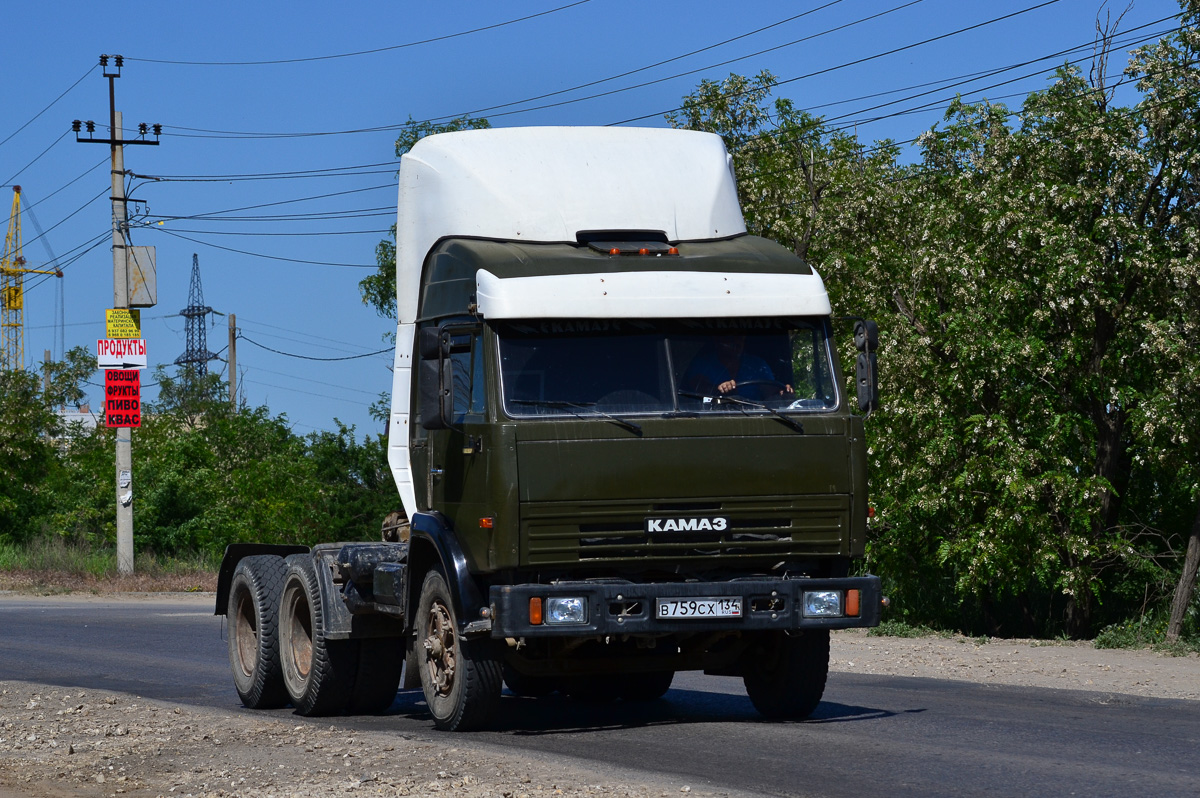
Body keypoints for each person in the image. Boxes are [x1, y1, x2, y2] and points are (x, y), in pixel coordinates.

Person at [683, 334, 791, 401]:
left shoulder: (757, 364)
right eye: (730, 338)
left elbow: (769, 391)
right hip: (713, 416)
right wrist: (719, 390)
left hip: (756, 417)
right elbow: (699, 386)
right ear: (717, 339)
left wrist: (781, 393)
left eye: (740, 337)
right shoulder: (702, 363)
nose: (737, 342)